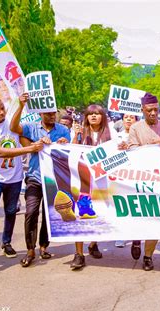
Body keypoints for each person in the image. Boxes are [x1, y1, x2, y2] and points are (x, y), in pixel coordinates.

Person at [0, 96, 43, 273]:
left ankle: (7, 242)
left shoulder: (12, 121)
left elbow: (23, 132)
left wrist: (21, 106)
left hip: (14, 177)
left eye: (2, 109)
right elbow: (0, 152)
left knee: (11, 211)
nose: (1, 113)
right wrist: (30, 149)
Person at [60, 104, 125, 269]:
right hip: (84, 182)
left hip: (103, 183)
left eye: (97, 113)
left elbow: (119, 152)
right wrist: (76, 137)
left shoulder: (112, 133)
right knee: (81, 215)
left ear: (103, 116)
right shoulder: (80, 132)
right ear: (86, 117)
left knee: (101, 214)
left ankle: (93, 243)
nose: (94, 116)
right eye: (91, 114)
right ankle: (79, 254)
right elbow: (71, 149)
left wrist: (123, 147)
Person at [10, 93, 71, 267]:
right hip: (35, 177)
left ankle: (44, 246)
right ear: (40, 114)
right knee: (31, 212)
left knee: (48, 214)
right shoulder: (31, 127)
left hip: (53, 179)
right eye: (48, 114)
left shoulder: (63, 130)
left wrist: (63, 143)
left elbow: (69, 153)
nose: (52, 116)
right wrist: (21, 106)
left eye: (54, 113)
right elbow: (14, 128)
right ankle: (30, 250)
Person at [128, 92, 160, 271]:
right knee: (139, 217)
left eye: (156, 109)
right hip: (139, 179)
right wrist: (152, 146)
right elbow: (131, 151)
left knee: (156, 219)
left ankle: (148, 256)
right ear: (143, 110)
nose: (153, 113)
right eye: (149, 110)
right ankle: (136, 239)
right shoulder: (135, 128)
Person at [114, 113, 139, 248]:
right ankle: (121, 235)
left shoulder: (141, 134)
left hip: (137, 175)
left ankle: (136, 237)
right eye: (126, 117)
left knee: (136, 206)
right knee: (122, 206)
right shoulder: (116, 136)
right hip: (121, 176)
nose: (129, 119)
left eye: (132, 117)